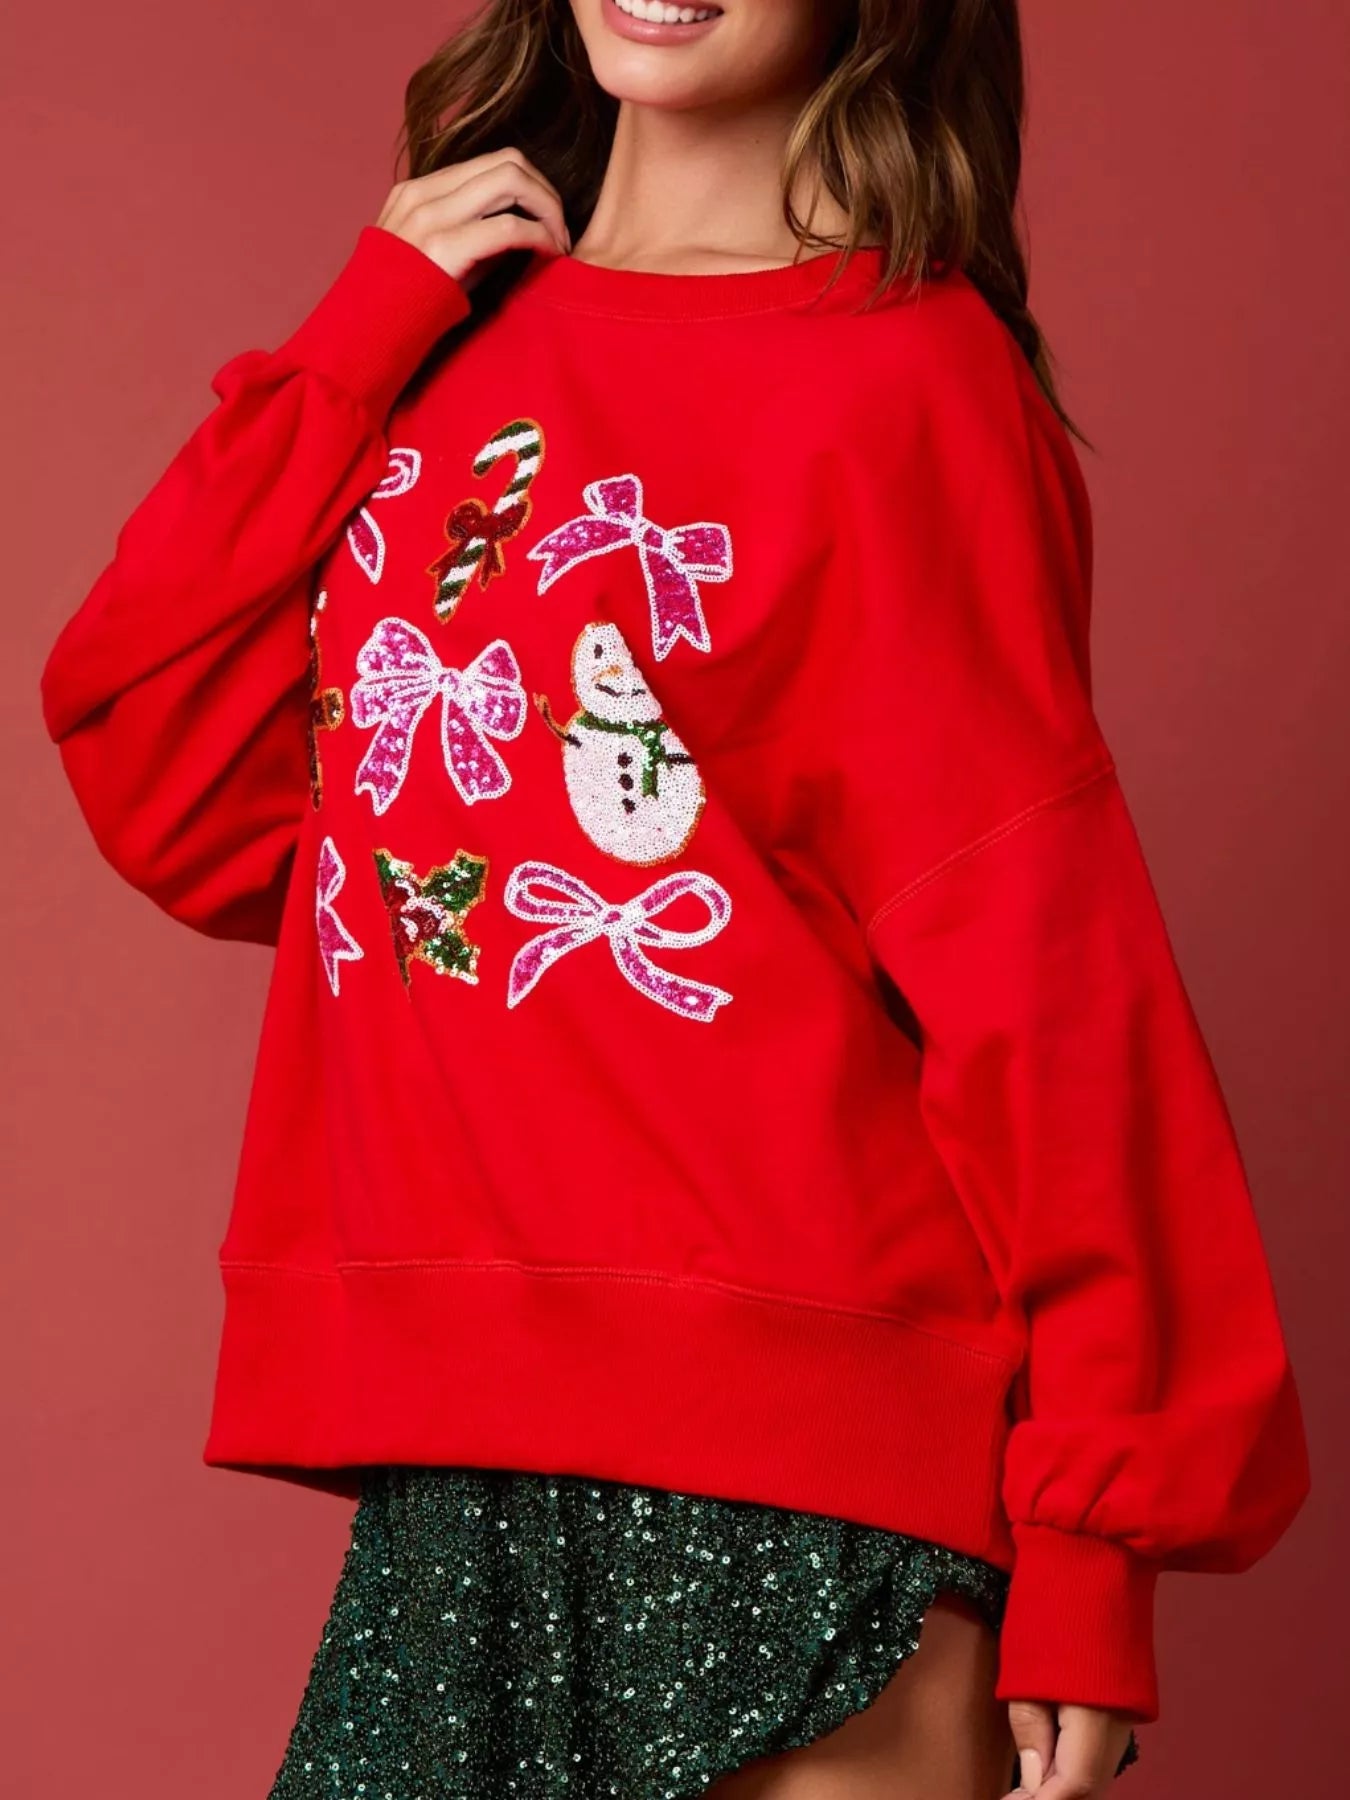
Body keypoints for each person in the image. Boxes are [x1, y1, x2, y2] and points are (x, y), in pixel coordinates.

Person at [37, 1, 1310, 1796]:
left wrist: (1099, 1538)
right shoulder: (431, 348)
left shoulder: (901, 374)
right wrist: (352, 339)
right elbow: (162, 763)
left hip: (812, 1485)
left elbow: (1039, 954)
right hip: (456, 1462)